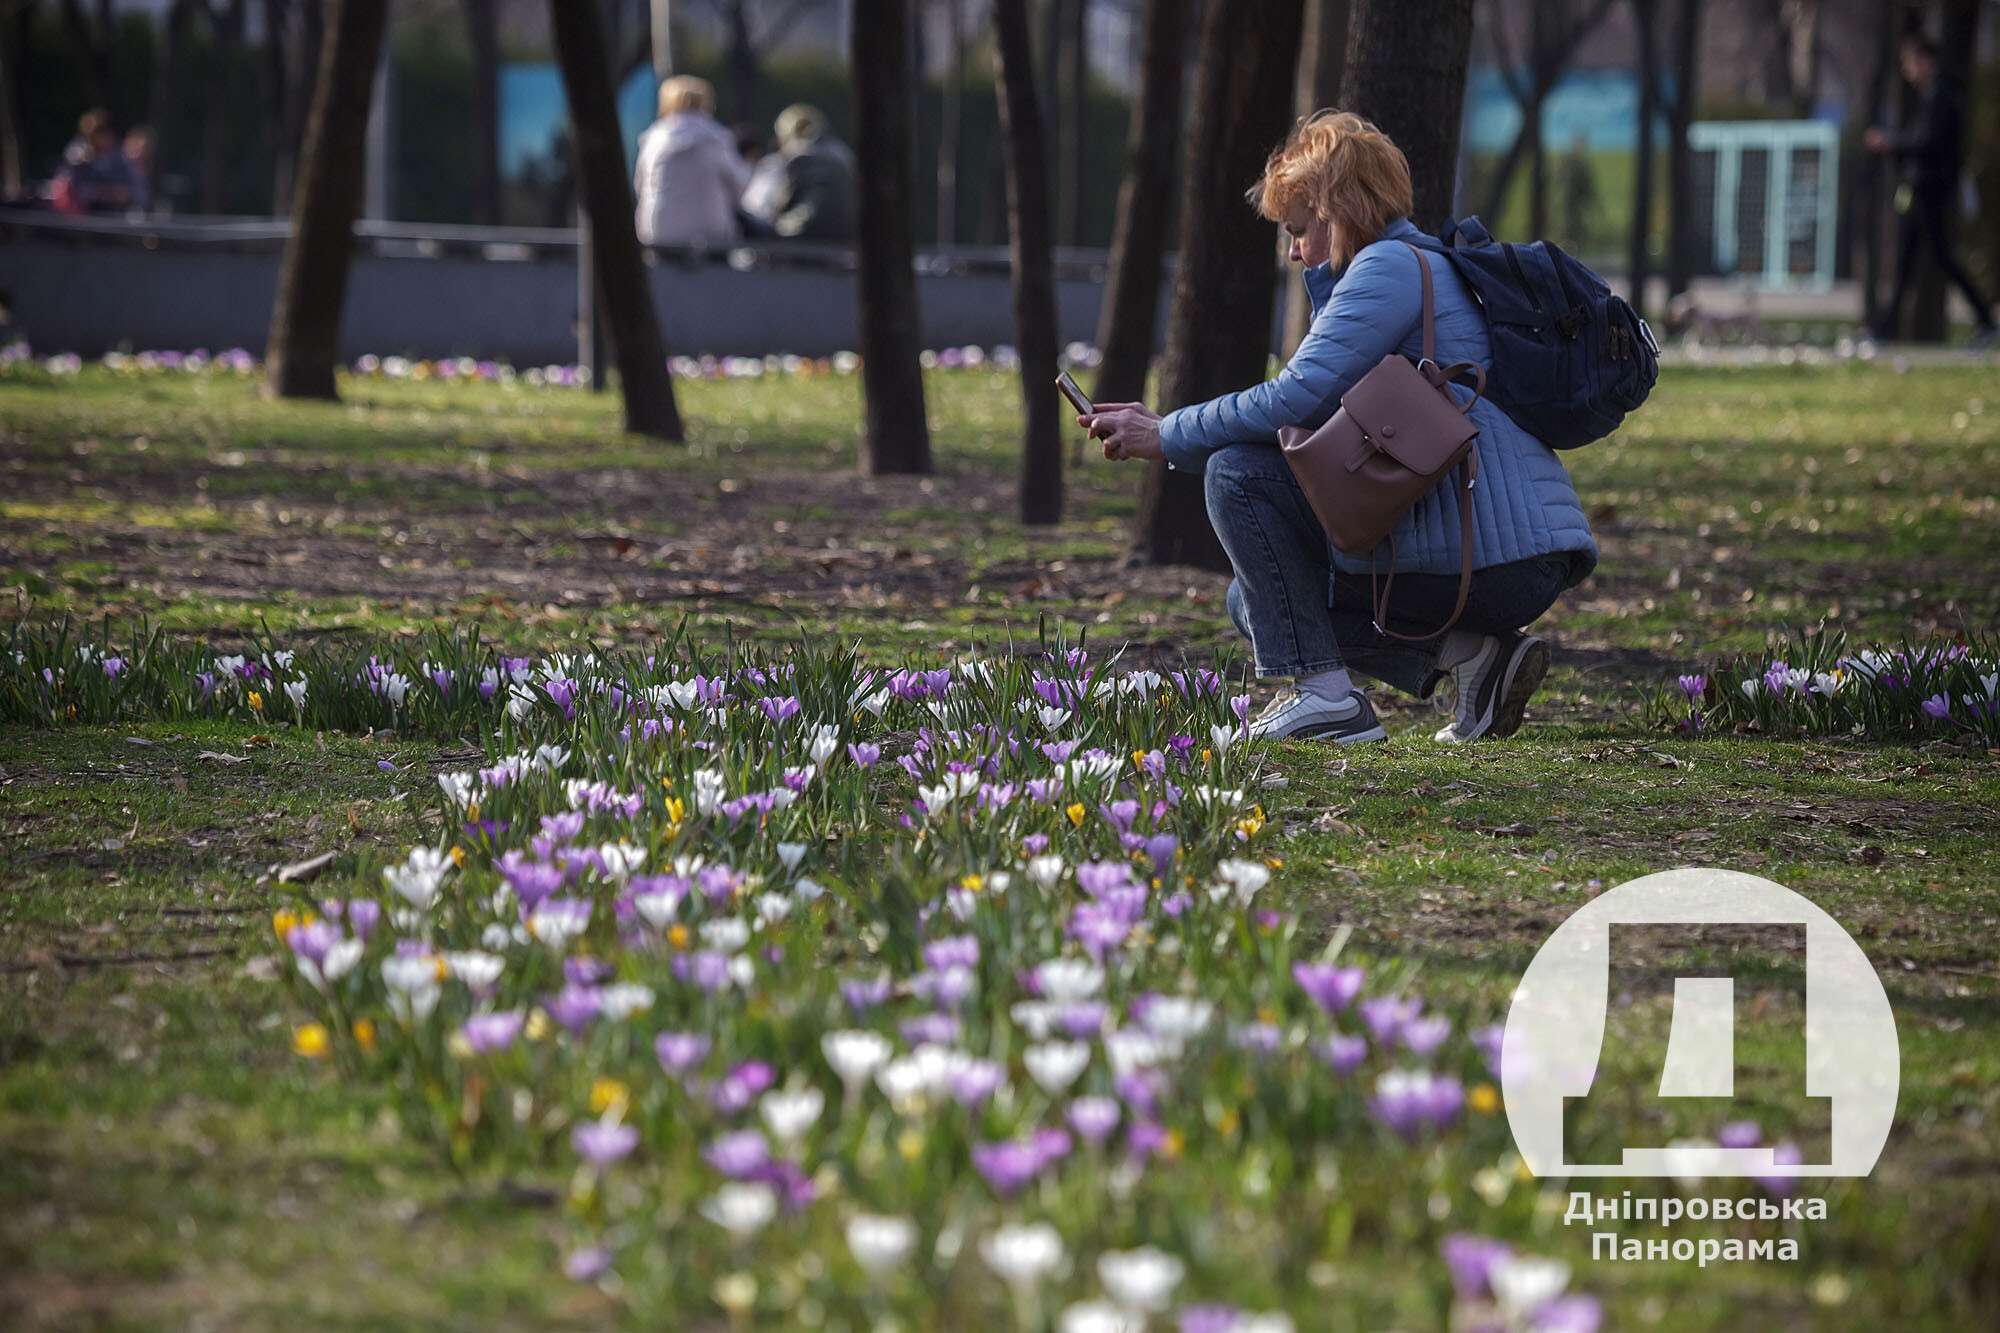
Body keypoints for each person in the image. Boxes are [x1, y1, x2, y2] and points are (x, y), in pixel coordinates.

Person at [1081, 111, 1598, 746]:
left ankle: (1326, 701)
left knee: (1237, 473)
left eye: (1299, 230)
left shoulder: (1390, 269)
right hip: (1503, 555)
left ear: (1336, 209)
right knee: (1253, 605)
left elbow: (1292, 398)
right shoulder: (1395, 270)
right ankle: (1474, 658)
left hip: (1494, 555)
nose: (1293, 251)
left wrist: (1164, 433)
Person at [1864, 31, 1996, 346]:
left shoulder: (1941, 97)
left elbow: (1927, 142)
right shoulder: (1935, 96)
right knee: (1906, 263)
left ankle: (1987, 322)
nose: (1908, 71)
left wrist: (1889, 143)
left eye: (1910, 63)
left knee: (1940, 258)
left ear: (1925, 61)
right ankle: (1884, 330)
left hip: (1929, 190)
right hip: (1920, 189)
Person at [632, 76, 751, 249]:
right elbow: (739, 185)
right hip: (711, 232)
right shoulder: (716, 137)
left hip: (659, 231)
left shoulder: (654, 139)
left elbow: (640, 185)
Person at [763, 103, 857, 242]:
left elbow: (782, 203)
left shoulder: (799, 155)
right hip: (847, 234)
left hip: (807, 234)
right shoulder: (843, 153)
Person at [51, 109, 139, 215]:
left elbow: (134, 190)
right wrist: (103, 193)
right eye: (94, 133)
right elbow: (75, 189)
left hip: (116, 215)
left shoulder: (120, 158)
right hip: (81, 216)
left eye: (104, 131)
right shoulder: (76, 156)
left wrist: (121, 194)